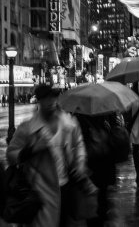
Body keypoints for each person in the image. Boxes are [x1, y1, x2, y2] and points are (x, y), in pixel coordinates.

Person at [6, 83, 96, 227]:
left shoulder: (69, 124)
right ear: (39, 101)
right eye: (46, 98)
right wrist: (32, 148)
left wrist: (79, 164)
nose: (51, 102)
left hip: (67, 186)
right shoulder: (28, 128)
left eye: (54, 97)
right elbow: (10, 155)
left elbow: (79, 145)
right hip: (40, 192)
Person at [76, 112, 121, 227]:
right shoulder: (105, 116)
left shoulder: (80, 119)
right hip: (100, 169)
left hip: (94, 169)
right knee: (100, 204)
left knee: (95, 206)